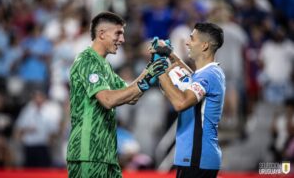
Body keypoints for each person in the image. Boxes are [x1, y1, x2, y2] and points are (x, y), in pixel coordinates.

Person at [66, 11, 168, 178]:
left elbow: (131, 95)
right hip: (88, 153)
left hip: (107, 154)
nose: (122, 40)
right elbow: (107, 100)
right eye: (118, 33)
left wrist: (150, 68)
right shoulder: (87, 61)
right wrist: (146, 77)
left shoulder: (104, 66)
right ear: (102, 34)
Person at [153, 22, 225, 178]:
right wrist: (170, 54)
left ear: (204, 45)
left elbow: (181, 103)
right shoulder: (207, 74)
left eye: (192, 39)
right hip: (196, 157)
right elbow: (192, 78)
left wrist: (159, 69)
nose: (186, 42)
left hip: (197, 158)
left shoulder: (209, 75)